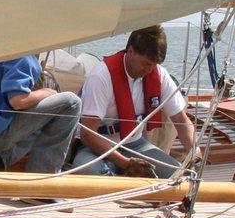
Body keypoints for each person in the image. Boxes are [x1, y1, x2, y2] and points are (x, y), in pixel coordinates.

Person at [71, 25, 197, 178]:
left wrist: (194, 151)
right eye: (146, 63)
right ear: (130, 51)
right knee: (89, 171)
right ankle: (121, 176)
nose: (149, 70)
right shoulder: (101, 77)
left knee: (177, 174)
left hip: (134, 145)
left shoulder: (159, 75)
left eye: (154, 65)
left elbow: (181, 120)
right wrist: (127, 164)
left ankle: (121, 178)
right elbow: (87, 135)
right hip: (95, 148)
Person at [0, 55, 81, 173]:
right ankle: (39, 188)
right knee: (71, 102)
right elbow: (18, 101)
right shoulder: (23, 56)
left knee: (40, 117)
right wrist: (47, 93)